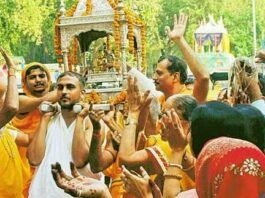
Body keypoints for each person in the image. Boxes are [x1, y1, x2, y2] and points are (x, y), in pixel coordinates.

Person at [27, 71, 101, 198]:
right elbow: (34, 159)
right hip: (44, 193)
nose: (64, 91)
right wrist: (44, 119)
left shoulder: (92, 122)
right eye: (60, 87)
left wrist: (80, 119)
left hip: (79, 193)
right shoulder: (49, 119)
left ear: (82, 94)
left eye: (70, 87)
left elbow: (79, 160)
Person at [11, 62, 59, 197]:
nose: (38, 80)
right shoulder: (20, 101)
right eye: (32, 77)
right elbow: (43, 101)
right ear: (24, 82)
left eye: (41, 76)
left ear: (48, 79)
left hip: (52, 162)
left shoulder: (58, 102)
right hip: (26, 166)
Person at [153, 13, 209, 103]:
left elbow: (203, 77)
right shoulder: (160, 101)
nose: (154, 77)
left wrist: (179, 40)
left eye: (159, 73)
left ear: (175, 76)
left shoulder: (189, 100)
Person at [0, 47, 23, 197]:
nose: (3, 100)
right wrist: (12, 71)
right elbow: (12, 107)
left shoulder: (6, 129)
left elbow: (29, 139)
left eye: (3, 96)